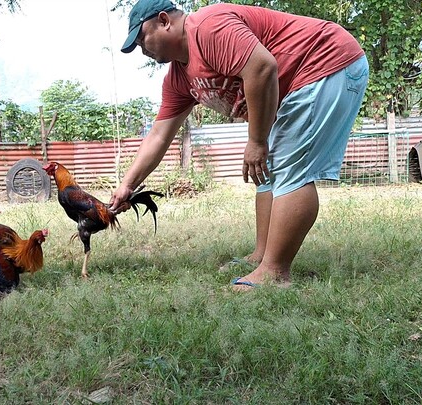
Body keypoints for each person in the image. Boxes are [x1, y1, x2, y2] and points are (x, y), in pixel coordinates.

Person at [109, 0, 369, 289]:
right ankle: (263, 254)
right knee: (266, 172)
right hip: (302, 80)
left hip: (326, 62)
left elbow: (261, 67)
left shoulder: (207, 27)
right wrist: (127, 185)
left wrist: (256, 141)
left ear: (163, 21)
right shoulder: (178, 79)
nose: (142, 49)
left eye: (142, 38)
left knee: (291, 167)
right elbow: (159, 136)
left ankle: (274, 271)